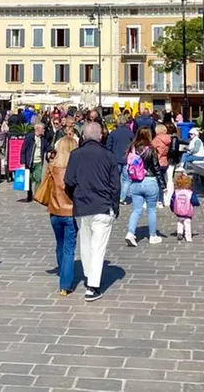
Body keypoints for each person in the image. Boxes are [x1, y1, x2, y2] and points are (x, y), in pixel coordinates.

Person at [64, 122, 120, 302]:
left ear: (84, 136)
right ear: (101, 136)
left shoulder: (76, 154)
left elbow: (69, 181)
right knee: (98, 246)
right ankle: (93, 286)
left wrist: (75, 197)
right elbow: (115, 185)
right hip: (102, 205)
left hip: (82, 206)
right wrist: (115, 207)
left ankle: (89, 275)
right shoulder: (109, 155)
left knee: (86, 244)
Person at [46, 136, 79, 297]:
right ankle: (65, 284)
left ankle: (62, 270)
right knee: (69, 249)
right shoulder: (76, 169)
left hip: (55, 211)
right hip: (70, 212)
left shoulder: (52, 168)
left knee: (60, 243)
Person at [124, 127, 167, 247]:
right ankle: (152, 236)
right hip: (150, 181)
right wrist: (163, 185)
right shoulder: (151, 150)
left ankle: (130, 233)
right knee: (151, 210)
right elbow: (156, 168)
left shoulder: (132, 149)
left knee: (136, 210)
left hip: (136, 182)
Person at [106, 115, 135, 205]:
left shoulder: (113, 133)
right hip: (127, 159)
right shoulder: (130, 133)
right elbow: (133, 145)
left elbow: (108, 146)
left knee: (115, 179)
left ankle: (114, 196)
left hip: (115, 159)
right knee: (127, 180)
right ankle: (122, 198)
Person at [20, 123, 50, 202]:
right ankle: (29, 194)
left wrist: (51, 151)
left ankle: (37, 195)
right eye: (43, 129)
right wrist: (22, 162)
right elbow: (23, 150)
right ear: (38, 129)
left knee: (38, 179)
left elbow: (47, 147)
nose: (44, 130)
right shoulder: (29, 137)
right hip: (29, 161)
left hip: (38, 161)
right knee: (29, 180)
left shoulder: (43, 138)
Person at [169, 173, 200, 242]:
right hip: (187, 212)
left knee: (180, 222)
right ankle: (188, 236)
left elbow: (172, 201)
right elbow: (195, 201)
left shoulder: (176, 192)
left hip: (178, 211)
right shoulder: (190, 193)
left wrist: (172, 208)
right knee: (187, 224)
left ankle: (179, 233)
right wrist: (197, 204)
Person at [152, 124, 172, 208]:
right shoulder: (168, 139)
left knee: (156, 182)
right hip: (165, 162)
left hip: (157, 162)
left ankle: (157, 200)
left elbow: (151, 149)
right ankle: (161, 200)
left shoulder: (156, 140)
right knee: (162, 181)